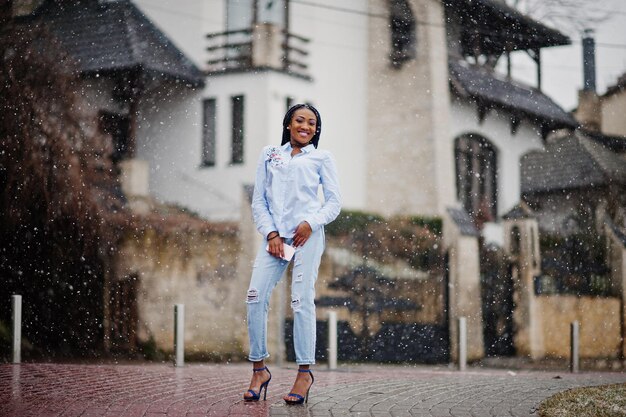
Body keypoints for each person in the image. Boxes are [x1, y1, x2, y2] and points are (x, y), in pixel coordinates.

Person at [243, 104, 341, 405]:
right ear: (288, 124)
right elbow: (258, 200)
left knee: (300, 300)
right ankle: (259, 369)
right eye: (300, 120)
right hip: (276, 238)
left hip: (306, 236)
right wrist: (271, 234)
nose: (306, 126)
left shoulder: (321, 158)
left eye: (312, 123)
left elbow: (334, 203)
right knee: (255, 295)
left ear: (316, 130)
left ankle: (304, 372)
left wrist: (310, 224)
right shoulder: (270, 154)